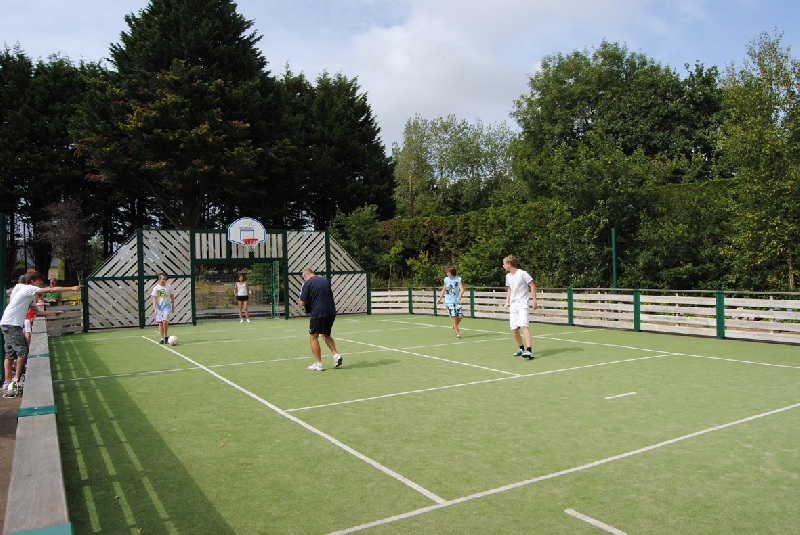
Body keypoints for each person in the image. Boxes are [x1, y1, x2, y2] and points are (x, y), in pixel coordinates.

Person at [0, 272, 79, 393]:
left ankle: (7, 382)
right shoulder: (28, 289)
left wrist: (52, 313)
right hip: (11, 325)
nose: (41, 283)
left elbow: (37, 312)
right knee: (23, 351)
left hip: (8, 324)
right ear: (32, 281)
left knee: (10, 354)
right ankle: (16, 381)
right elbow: (51, 290)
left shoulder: (30, 296)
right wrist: (72, 288)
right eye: (39, 280)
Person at [298, 268, 341, 371]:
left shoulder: (307, 283)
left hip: (318, 313)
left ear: (305, 276)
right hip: (330, 312)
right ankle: (336, 355)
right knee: (326, 335)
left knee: (313, 337)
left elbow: (302, 302)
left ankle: (319, 363)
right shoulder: (325, 281)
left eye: (304, 278)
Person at [503, 254, 537, 359]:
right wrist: (507, 301)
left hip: (522, 303)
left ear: (509, 264)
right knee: (514, 329)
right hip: (513, 305)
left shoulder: (522, 274)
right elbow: (509, 289)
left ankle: (529, 351)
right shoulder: (508, 276)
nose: (503, 266)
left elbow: (532, 285)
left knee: (523, 326)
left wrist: (534, 300)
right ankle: (521, 349)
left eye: (504, 264)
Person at [436, 265, 465, 339]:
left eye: (448, 272)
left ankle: (454, 325)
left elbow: (462, 289)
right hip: (449, 301)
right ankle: (457, 333)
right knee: (454, 316)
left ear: (452, 272)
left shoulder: (458, 279)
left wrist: (459, 296)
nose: (447, 273)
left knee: (460, 316)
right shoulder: (446, 279)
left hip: (457, 300)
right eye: (447, 272)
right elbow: (443, 289)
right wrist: (439, 299)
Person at [151, 273, 176, 344]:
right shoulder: (156, 288)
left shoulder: (169, 287)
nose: (164, 281)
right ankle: (162, 339)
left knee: (164, 321)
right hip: (159, 307)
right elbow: (154, 299)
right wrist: (155, 309)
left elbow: (172, 297)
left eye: (165, 279)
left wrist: (173, 307)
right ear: (159, 279)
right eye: (163, 279)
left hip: (167, 306)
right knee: (160, 323)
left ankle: (166, 335)